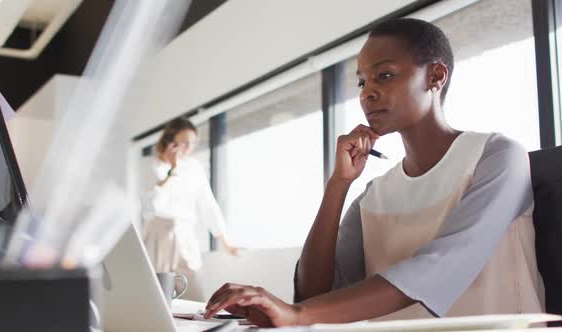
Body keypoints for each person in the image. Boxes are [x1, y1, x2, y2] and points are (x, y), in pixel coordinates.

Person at [202, 18, 544, 326]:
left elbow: (441, 267)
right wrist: (338, 185)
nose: (368, 93)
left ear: (436, 76)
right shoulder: (374, 195)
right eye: (362, 82)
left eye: (385, 75)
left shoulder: (496, 156)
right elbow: (313, 294)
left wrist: (297, 315)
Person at [142, 117, 238, 301]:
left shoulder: (194, 167)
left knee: (193, 292)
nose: (188, 148)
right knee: (157, 295)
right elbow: (151, 205)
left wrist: (225, 242)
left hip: (185, 234)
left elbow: (208, 204)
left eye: (192, 143)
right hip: (157, 235)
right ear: (170, 140)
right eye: (184, 142)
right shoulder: (151, 165)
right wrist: (172, 170)